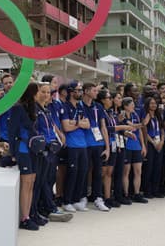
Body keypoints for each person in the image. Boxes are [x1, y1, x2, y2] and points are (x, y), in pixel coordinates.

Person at [34, 82, 72, 223]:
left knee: (50, 179)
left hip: (52, 148)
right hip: (42, 149)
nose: (46, 95)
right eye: (43, 92)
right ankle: (47, 208)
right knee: (42, 180)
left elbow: (52, 125)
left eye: (48, 92)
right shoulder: (34, 109)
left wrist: (60, 134)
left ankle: (47, 206)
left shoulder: (47, 110)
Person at [8, 83, 41, 230]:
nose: (41, 94)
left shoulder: (33, 108)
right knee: (26, 183)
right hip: (22, 149)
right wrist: (13, 153)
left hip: (33, 149)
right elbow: (12, 132)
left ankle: (29, 214)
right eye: (39, 91)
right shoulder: (17, 108)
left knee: (32, 182)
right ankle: (24, 218)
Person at [61, 81, 90, 212]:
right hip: (72, 145)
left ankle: (77, 200)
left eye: (80, 90)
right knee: (72, 173)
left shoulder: (81, 106)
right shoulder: (65, 106)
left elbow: (88, 124)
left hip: (82, 144)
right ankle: (67, 201)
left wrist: (75, 123)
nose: (80, 92)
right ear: (71, 92)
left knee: (82, 172)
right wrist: (79, 123)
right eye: (78, 90)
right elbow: (66, 127)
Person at [82, 82, 111, 211]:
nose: (96, 93)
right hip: (85, 144)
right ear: (86, 91)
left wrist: (107, 146)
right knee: (85, 171)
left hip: (98, 143)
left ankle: (98, 198)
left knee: (98, 172)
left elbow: (103, 126)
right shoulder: (79, 105)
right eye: (94, 90)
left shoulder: (98, 106)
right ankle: (82, 197)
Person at [120, 97, 148, 203]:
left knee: (138, 171)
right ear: (125, 106)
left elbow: (139, 131)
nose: (133, 107)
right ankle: (126, 194)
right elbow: (131, 126)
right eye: (131, 105)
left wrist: (143, 146)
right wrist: (143, 123)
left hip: (136, 146)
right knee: (126, 171)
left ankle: (137, 193)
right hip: (126, 145)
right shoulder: (122, 115)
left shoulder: (135, 114)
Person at [141, 96, 165, 198]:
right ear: (147, 105)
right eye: (151, 103)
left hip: (159, 143)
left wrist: (162, 141)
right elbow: (144, 130)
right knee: (149, 167)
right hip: (150, 144)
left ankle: (156, 190)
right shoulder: (145, 115)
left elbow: (162, 129)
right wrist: (153, 143)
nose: (153, 105)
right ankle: (148, 190)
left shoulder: (158, 115)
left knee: (158, 167)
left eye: (155, 103)